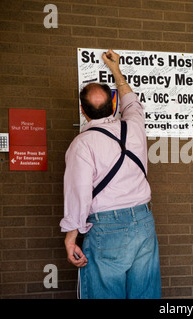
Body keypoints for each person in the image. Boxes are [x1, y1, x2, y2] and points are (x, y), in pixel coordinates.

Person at [59, 49, 161, 299]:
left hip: (106, 228)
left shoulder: (82, 144)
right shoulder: (134, 127)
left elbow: (78, 193)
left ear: (83, 111)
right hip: (144, 222)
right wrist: (116, 70)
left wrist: (71, 237)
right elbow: (132, 103)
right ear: (113, 105)